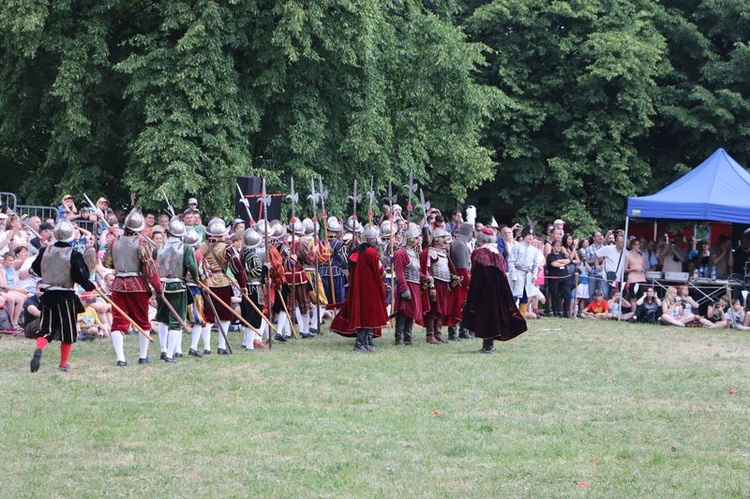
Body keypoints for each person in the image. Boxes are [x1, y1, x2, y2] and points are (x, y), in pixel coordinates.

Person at [29, 218, 96, 372]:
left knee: (46, 328)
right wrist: (89, 286)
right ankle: (63, 364)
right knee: (68, 330)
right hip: (66, 296)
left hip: (48, 295)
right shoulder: (74, 254)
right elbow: (80, 276)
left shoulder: (45, 251)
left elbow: (35, 268)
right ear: (70, 236)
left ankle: (39, 349)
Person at [102, 208, 164, 367]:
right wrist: (158, 288)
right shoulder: (142, 243)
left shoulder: (115, 241)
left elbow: (106, 263)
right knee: (143, 321)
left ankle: (120, 358)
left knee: (118, 322)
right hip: (138, 285)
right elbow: (150, 269)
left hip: (119, 286)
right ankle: (143, 356)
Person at [461, 227, 526, 353]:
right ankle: (489, 343)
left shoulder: (479, 252)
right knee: (494, 315)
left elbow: (476, 273)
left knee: (486, 315)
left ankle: (487, 345)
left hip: (485, 289)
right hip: (499, 290)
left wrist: (474, 291)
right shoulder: (498, 253)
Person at [330, 224, 388, 352]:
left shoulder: (357, 251)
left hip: (361, 288)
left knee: (367, 314)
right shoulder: (370, 252)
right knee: (368, 315)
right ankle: (360, 342)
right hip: (370, 288)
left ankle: (367, 340)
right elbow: (379, 270)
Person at [155, 216, 200, 362]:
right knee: (177, 319)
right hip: (177, 286)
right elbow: (192, 266)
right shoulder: (185, 248)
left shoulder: (159, 247)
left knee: (162, 318)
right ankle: (169, 354)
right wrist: (197, 279)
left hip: (161, 286)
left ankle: (163, 350)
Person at [392, 223, 425, 345]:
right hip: (406, 285)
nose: (417, 240)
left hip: (415, 285)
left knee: (411, 312)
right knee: (402, 313)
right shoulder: (401, 253)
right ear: (409, 238)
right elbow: (400, 273)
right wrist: (404, 288)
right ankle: (399, 338)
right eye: (415, 237)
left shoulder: (414, 253)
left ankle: (408, 337)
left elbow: (416, 272)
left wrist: (425, 278)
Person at [546, 239, 573, 317]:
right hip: (554, 279)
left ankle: (566, 311)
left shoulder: (562, 254)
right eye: (557, 246)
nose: (559, 248)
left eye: (560, 246)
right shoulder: (550, 256)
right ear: (552, 247)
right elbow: (554, 264)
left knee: (568, 295)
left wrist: (559, 261)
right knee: (555, 295)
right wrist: (562, 263)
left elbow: (568, 261)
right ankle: (555, 311)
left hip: (564, 278)